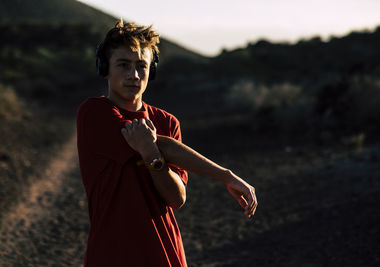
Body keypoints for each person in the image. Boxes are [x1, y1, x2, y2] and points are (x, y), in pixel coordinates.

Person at [76, 20, 257, 267]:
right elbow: (168, 147)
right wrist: (226, 175)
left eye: (142, 66)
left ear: (152, 70)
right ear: (104, 68)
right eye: (123, 65)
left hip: (166, 254)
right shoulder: (94, 112)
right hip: (112, 253)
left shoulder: (167, 121)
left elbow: (176, 198)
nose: (134, 75)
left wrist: (150, 153)